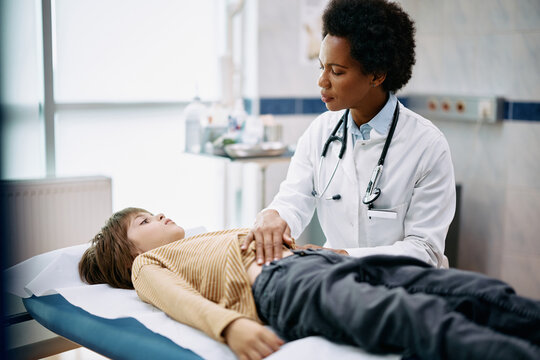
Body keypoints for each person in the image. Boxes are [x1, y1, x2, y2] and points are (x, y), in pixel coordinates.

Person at [80, 208, 540, 360]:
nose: (159, 215)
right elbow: (177, 301)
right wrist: (228, 328)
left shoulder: (205, 236)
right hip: (283, 288)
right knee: (419, 318)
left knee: (470, 292)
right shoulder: (150, 266)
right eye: (144, 219)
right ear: (132, 253)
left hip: (322, 262)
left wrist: (311, 251)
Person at [244, 0, 456, 267]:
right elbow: (293, 199)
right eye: (322, 67)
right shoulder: (320, 132)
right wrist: (273, 215)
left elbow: (425, 250)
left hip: (404, 290)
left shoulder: (427, 145)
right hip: (337, 282)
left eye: (337, 71)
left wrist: (343, 256)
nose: (322, 81)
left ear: (377, 74)